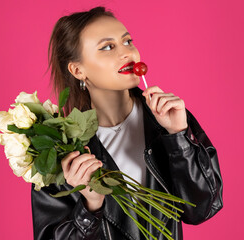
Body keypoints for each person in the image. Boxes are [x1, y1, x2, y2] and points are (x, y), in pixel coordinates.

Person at [31, 6, 223, 240]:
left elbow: (202, 209)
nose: (127, 53)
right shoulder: (63, 147)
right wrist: (90, 206)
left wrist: (178, 136)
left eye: (128, 41)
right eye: (108, 47)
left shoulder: (169, 120)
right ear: (78, 70)